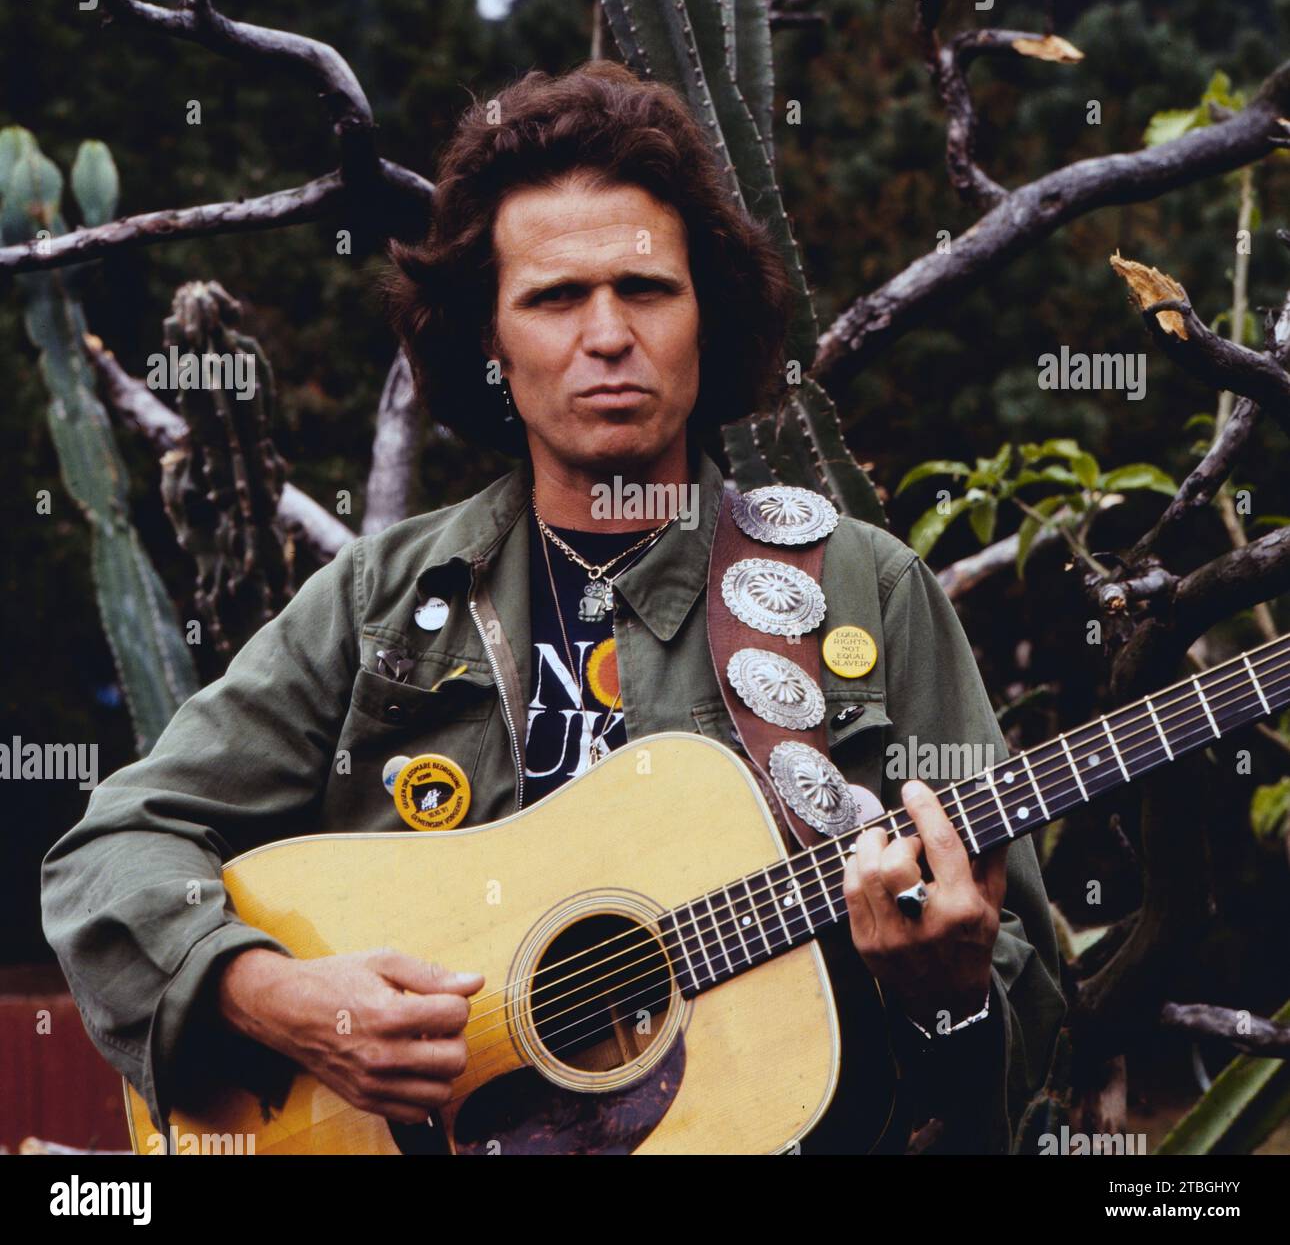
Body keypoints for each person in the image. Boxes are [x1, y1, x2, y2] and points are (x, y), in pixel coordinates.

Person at [42, 60, 1065, 1154]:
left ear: (704, 315)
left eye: (646, 290)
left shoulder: (864, 589)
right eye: (554, 297)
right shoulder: (376, 605)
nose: (608, 334)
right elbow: (112, 845)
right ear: (491, 339)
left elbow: (1032, 992)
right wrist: (265, 995)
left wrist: (946, 993)